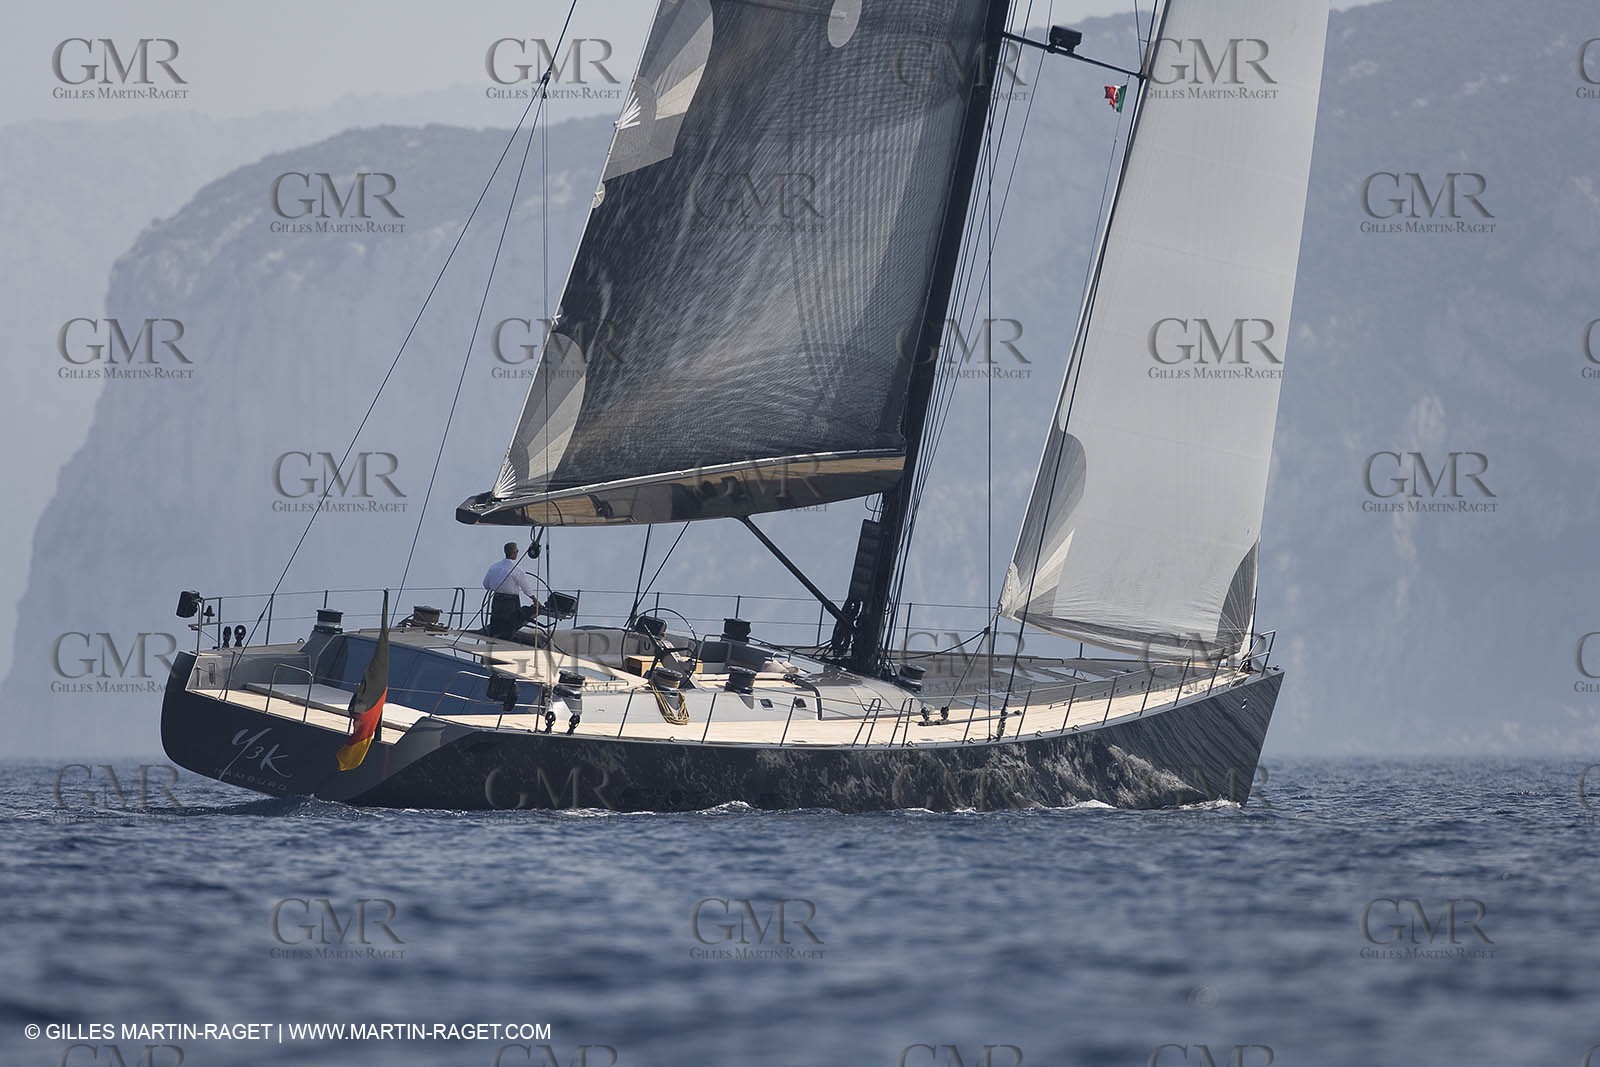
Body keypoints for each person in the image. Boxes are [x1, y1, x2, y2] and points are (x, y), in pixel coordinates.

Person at [483, 542, 539, 637]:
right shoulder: (517, 570)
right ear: (514, 552)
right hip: (510, 603)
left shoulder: (493, 567)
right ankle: (507, 638)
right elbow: (526, 588)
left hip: (497, 601)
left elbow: (486, 585)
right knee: (511, 624)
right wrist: (535, 600)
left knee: (497, 623)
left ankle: (495, 637)